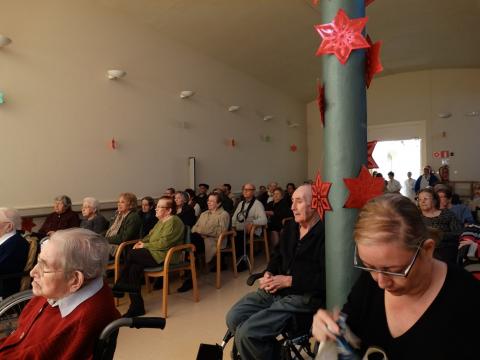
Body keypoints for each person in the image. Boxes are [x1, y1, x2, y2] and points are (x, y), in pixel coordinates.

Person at [312, 194, 480, 359]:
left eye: (395, 270)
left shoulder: (467, 300)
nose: (381, 282)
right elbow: (350, 329)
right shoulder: (369, 283)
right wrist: (328, 332)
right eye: (369, 267)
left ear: (427, 250)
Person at [226, 185, 325, 360]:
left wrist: (289, 281)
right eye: (292, 201)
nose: (292, 207)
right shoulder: (291, 228)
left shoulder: (325, 235)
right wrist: (269, 273)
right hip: (276, 290)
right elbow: (277, 255)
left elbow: (325, 279)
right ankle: (278, 354)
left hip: (302, 298)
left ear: (315, 203)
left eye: (299, 202)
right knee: (234, 317)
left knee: (247, 334)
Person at [0, 228, 120, 358]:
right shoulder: (59, 289)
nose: (32, 272)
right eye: (38, 262)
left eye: (44, 266)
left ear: (74, 280)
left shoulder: (79, 324)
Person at [112, 196, 185, 317]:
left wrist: (144, 245)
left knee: (131, 254)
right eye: (157, 206)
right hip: (154, 253)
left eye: (159, 207)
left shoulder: (173, 221)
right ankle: (137, 306)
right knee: (134, 268)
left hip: (166, 256)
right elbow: (149, 236)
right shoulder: (161, 221)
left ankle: (119, 287)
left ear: (169, 210)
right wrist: (140, 242)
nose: (156, 209)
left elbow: (164, 243)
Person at [177, 193, 230, 293]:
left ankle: (189, 274)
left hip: (214, 242)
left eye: (212, 201)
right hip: (201, 240)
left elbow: (221, 232)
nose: (208, 202)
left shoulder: (223, 214)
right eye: (208, 200)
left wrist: (203, 232)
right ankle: (190, 277)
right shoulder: (204, 213)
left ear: (218, 204)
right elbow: (194, 228)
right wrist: (204, 232)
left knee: (191, 243)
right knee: (192, 243)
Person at [231, 183, 267, 271]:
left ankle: (242, 264)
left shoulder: (257, 204)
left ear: (253, 192)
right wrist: (233, 227)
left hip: (252, 231)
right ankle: (231, 261)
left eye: (248, 189)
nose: (245, 191)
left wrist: (252, 223)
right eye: (244, 189)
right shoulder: (241, 203)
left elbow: (264, 220)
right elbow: (234, 217)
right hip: (240, 229)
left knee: (239, 236)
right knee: (230, 235)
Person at [0, 208, 29, 299]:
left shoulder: (17, 243)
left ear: (9, 226)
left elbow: (3, 267)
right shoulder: (6, 240)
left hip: (5, 288)